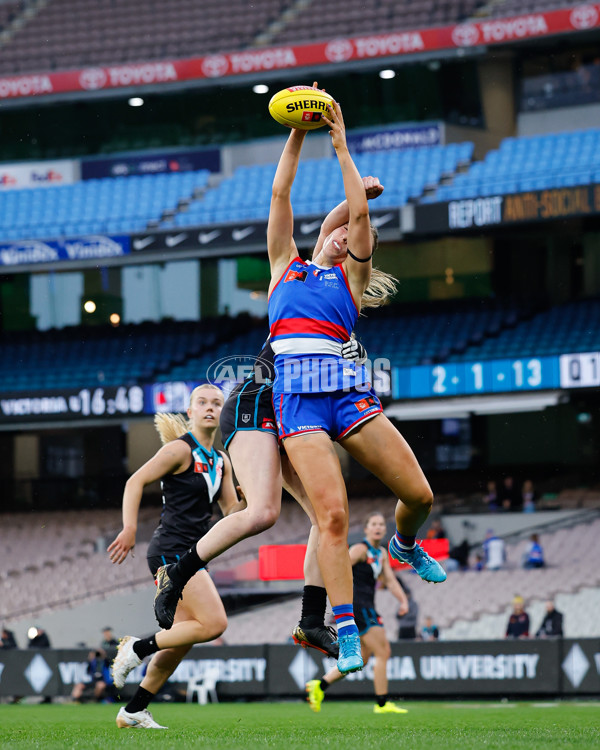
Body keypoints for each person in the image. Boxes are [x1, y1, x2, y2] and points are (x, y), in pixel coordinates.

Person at [153, 94, 446, 677]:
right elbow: (281, 196)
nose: (341, 234)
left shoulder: (349, 281)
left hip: (345, 393)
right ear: (324, 236)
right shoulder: (285, 265)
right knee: (330, 517)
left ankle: (406, 545)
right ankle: (340, 628)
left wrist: (340, 144)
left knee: (420, 497)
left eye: (349, 233)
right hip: (296, 400)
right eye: (335, 230)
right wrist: (297, 133)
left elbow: (356, 216)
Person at [107, 384, 244, 730]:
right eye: (203, 403)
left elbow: (231, 513)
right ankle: (137, 648)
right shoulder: (179, 450)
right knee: (214, 625)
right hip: (171, 551)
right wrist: (128, 528)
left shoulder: (221, 459)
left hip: (194, 555)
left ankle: (134, 710)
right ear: (191, 411)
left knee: (184, 638)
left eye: (217, 403)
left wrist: (247, 499)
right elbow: (134, 482)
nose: (210, 408)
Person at [305, 512, 409, 715]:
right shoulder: (361, 549)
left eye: (381, 524)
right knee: (383, 652)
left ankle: (319, 685)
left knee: (363, 656)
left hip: (366, 605)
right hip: (359, 607)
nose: (378, 527)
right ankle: (382, 704)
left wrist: (403, 600)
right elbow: (339, 566)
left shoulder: (380, 554)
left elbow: (390, 580)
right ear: (366, 529)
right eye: (374, 524)